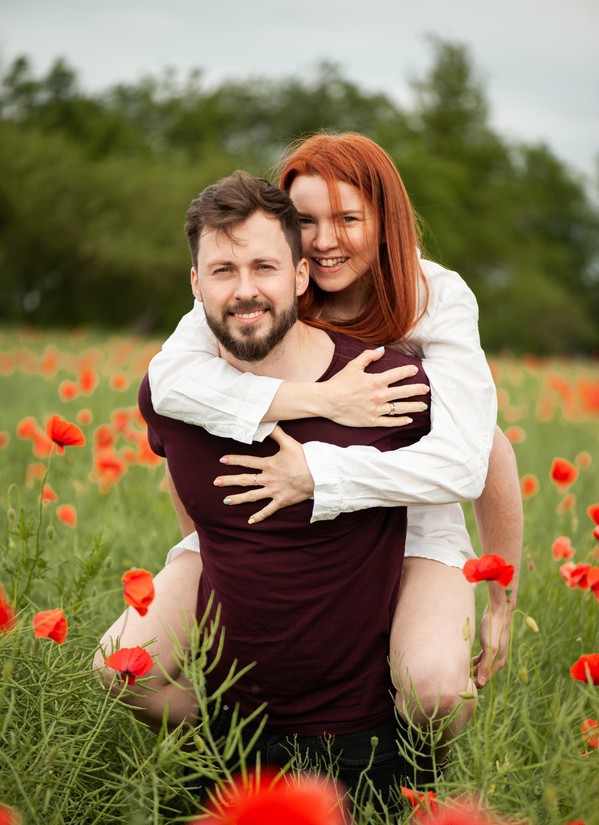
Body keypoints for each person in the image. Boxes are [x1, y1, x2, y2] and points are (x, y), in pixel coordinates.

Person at [147, 132, 522, 760]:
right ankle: (228, 754)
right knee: (134, 669)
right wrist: (322, 401)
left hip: (411, 518)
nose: (324, 241)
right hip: (269, 519)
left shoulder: (433, 298)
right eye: (306, 221)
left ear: (385, 221)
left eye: (349, 219)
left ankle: (416, 776)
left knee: (433, 688)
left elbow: (476, 454)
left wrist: (502, 602)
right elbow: (172, 384)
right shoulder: (263, 282)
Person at [97, 170, 433, 803]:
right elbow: (180, 474)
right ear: (195, 284)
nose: (245, 290)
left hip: (360, 734)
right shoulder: (173, 393)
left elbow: (484, 456)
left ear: (301, 276)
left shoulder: (380, 380)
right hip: (233, 724)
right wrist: (207, 552)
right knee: (119, 671)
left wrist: (500, 599)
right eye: (223, 271)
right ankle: (209, 744)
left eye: (264, 267)